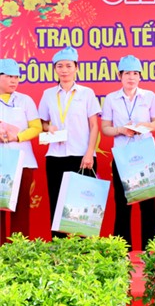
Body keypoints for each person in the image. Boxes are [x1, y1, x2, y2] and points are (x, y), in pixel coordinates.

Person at [101, 55, 155, 250]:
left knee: (148, 205)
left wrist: (146, 125)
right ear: (120, 75)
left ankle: (150, 249)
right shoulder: (111, 98)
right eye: (127, 73)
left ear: (140, 76)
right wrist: (120, 129)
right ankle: (122, 250)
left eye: (135, 73)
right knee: (122, 204)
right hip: (122, 156)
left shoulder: (149, 97)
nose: (131, 77)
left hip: (145, 155)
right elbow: (105, 128)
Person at [38, 46, 101, 236]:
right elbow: (41, 122)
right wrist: (49, 128)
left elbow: (94, 126)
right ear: (55, 69)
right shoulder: (48, 94)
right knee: (57, 204)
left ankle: (85, 253)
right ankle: (59, 251)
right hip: (56, 156)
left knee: (83, 205)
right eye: (60, 66)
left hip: (82, 156)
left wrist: (89, 153)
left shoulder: (86, 93)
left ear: (76, 67)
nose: (64, 70)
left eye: (68, 66)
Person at [0, 59, 42, 243]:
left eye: (16, 77)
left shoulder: (25, 100)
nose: (14, 81)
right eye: (9, 76)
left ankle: (18, 252)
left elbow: (36, 127)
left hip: (23, 162)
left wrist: (18, 137)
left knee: (21, 209)